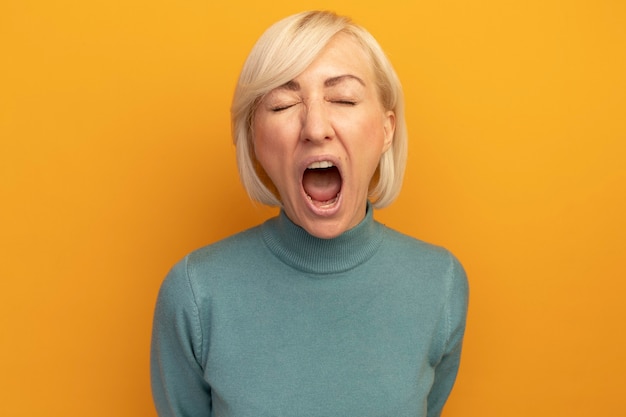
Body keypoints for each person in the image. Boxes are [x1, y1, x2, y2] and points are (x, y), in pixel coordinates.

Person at [151, 10, 469, 417]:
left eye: (343, 99)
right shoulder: (195, 293)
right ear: (254, 139)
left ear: (387, 129)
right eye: (283, 104)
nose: (315, 127)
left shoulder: (440, 284)